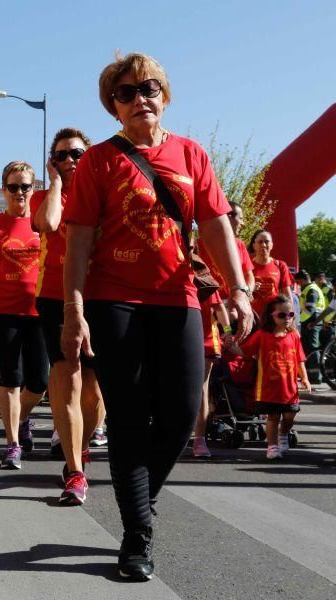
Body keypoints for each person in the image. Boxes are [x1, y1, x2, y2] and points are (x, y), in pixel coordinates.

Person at [61, 52, 253, 581]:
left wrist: (238, 287)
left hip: (178, 299)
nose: (139, 98)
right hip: (113, 300)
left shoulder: (192, 155)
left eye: (148, 88)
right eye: (125, 92)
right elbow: (77, 242)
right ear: (113, 107)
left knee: (181, 411)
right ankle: (137, 534)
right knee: (126, 419)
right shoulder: (99, 162)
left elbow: (215, 225)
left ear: (164, 96)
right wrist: (74, 311)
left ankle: (140, 501)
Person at [31, 127, 105, 504]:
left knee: (95, 392)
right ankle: (74, 469)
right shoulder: (45, 197)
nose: (70, 160)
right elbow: (49, 224)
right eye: (61, 155)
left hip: (101, 298)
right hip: (54, 299)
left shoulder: (104, 195)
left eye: (77, 153)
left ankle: (82, 443)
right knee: (68, 382)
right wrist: (57, 183)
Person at [0, 161, 49, 470]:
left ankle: (22, 418)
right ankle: (12, 444)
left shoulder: (43, 223)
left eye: (25, 186)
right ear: (3, 189)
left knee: (39, 380)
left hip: (39, 310)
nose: (19, 192)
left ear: (34, 188)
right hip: (3, 310)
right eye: (13, 187)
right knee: (11, 377)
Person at [238, 294, 311, 459]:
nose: (287, 318)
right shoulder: (262, 335)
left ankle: (283, 435)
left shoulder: (294, 336)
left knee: (289, 417)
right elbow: (245, 351)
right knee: (272, 417)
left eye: (291, 314)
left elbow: (300, 360)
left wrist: (305, 378)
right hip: (268, 389)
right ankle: (272, 447)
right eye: (282, 315)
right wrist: (231, 345)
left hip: (289, 388)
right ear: (271, 316)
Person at [191, 289, 231, 458]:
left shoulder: (204, 281)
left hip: (206, 342)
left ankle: (199, 439)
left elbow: (220, 308)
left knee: (201, 388)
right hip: (175, 338)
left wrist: (228, 331)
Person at [249, 229, 293, 319]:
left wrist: (290, 316)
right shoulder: (246, 266)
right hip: (251, 317)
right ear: (254, 245)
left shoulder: (280, 265)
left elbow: (287, 295)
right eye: (260, 242)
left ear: (272, 245)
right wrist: (250, 289)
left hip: (274, 318)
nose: (264, 245)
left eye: (267, 242)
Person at [295, 270, 325, 385]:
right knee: (308, 348)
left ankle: (316, 376)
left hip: (311, 322)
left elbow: (309, 310)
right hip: (311, 322)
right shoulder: (311, 288)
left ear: (302, 280)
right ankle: (310, 374)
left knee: (312, 348)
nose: (298, 285)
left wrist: (298, 321)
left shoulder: (311, 289)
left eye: (298, 282)